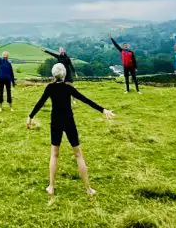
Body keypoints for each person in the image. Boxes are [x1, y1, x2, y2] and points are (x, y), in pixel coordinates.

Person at [26, 63, 115, 196]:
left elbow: (40, 102)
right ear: (64, 74)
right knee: (78, 154)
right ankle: (88, 189)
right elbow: (85, 99)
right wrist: (102, 110)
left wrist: (30, 117)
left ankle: (51, 187)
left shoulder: (50, 88)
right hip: (69, 121)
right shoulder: (68, 88)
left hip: (56, 121)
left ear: (53, 74)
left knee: (54, 154)